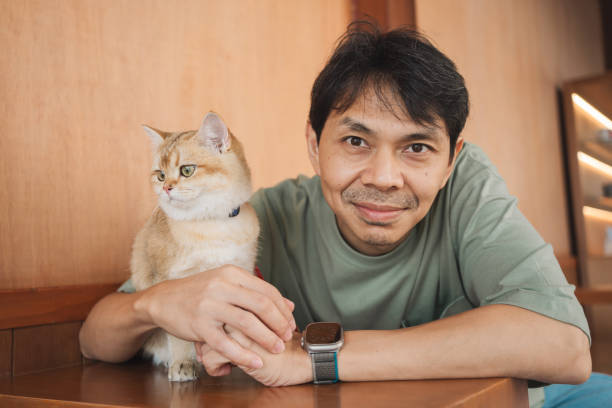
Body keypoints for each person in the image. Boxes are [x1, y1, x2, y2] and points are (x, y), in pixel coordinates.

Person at [80, 22, 610, 407]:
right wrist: (156, 304)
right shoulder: (261, 218)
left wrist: (312, 359)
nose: (384, 176)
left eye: (418, 148)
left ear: (452, 158)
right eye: (356, 140)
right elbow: (95, 336)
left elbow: (563, 346)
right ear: (314, 144)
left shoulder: (468, 187)